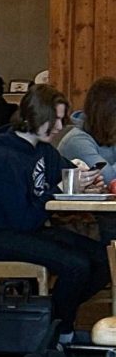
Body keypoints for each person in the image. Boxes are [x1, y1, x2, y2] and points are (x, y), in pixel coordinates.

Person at [0, 83, 109, 342]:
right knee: (76, 265)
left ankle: (54, 324)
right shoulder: (2, 157)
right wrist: (58, 188)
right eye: (54, 119)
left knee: (104, 260)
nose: (59, 127)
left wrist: (88, 180)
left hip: (28, 227)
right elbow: (22, 219)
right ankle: (58, 330)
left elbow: (68, 173)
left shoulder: (43, 150)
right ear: (35, 116)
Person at [58, 76, 116, 242]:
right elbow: (108, 178)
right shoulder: (77, 140)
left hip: (103, 213)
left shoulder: (109, 136)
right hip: (81, 218)